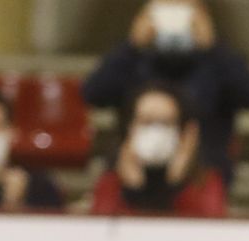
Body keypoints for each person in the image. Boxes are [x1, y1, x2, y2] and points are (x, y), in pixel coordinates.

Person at [82, 0, 249, 187]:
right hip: (132, 176)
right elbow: (93, 94)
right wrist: (131, 46)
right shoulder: (133, 61)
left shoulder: (217, 63)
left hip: (203, 177)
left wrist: (214, 48)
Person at [91, 83, 227, 218]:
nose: (156, 130)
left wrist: (176, 185)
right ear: (129, 128)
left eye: (166, 122)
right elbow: (103, 233)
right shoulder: (111, 183)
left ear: (186, 132)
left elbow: (206, 233)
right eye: (146, 122)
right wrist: (133, 191)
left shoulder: (205, 182)